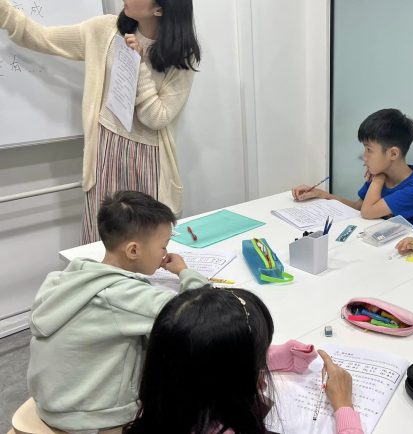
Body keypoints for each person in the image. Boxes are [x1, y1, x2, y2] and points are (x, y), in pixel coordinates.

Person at [0, 0, 201, 243]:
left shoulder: (181, 56)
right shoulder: (106, 30)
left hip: (148, 162)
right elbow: (43, 37)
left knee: (143, 251)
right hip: (106, 151)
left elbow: (156, 118)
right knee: (99, 245)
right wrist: (5, 11)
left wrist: (138, 68)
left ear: (159, 9)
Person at [27, 191, 210, 432]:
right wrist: (185, 273)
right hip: (93, 419)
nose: (165, 254)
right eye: (163, 246)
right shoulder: (125, 295)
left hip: (50, 402)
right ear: (133, 251)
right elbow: (199, 312)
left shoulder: (65, 277)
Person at [124, 287, 365, 434]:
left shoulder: (160, 406)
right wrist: (344, 405)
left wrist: (275, 356)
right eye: (260, 358)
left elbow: (204, 358)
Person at [292, 108, 413, 233]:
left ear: (393, 154)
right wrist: (320, 194)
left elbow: (367, 212)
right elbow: (358, 207)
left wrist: (378, 179)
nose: (364, 157)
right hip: (387, 244)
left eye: (369, 150)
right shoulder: (383, 173)